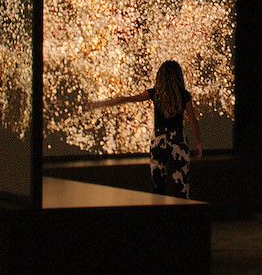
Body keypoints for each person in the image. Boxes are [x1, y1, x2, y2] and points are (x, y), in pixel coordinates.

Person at [86, 60, 203, 199]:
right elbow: (193, 121)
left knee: (158, 186)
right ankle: (183, 218)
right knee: (181, 186)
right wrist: (198, 143)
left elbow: (128, 99)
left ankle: (158, 218)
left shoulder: (155, 93)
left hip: (158, 141)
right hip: (178, 141)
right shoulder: (184, 95)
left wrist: (102, 103)